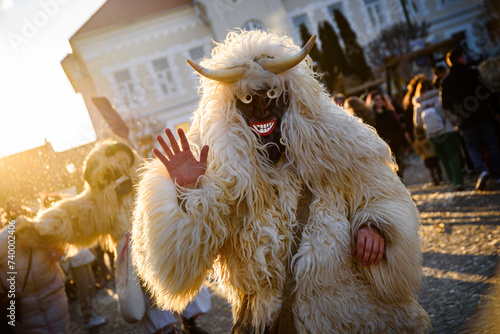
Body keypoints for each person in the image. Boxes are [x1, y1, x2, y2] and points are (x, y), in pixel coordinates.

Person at [131, 31, 430, 333]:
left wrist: (375, 225)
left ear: (292, 97)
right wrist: (189, 194)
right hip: (273, 321)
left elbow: (383, 194)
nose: (263, 111)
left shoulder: (338, 143)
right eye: (248, 100)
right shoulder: (216, 170)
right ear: (231, 107)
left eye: (272, 97)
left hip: (357, 313)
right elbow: (180, 268)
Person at [441, 48, 500, 190]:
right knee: (491, 144)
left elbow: (445, 104)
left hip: (465, 119)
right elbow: (487, 92)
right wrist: (497, 110)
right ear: (460, 58)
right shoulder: (473, 73)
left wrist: (457, 110)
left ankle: (482, 171)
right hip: (483, 115)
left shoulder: (447, 81)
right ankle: (498, 174)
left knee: (472, 147)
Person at [0, 217, 71, 333]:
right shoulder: (3, 244)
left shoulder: (43, 236)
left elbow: (62, 244)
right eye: (23, 245)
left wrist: (60, 250)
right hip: (24, 307)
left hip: (54, 298)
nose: (27, 248)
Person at [414, 77, 464, 190]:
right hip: (447, 130)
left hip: (432, 135)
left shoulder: (418, 104)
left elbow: (417, 123)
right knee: (454, 155)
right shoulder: (439, 97)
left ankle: (452, 180)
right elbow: (447, 112)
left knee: (443, 157)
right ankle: (458, 181)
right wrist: (455, 121)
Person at [366, 89, 411, 178]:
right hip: (382, 145)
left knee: (399, 165)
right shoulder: (371, 117)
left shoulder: (389, 112)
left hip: (396, 142)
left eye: (380, 99)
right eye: (376, 100)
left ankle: (400, 181)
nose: (379, 102)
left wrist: (406, 144)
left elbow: (398, 129)